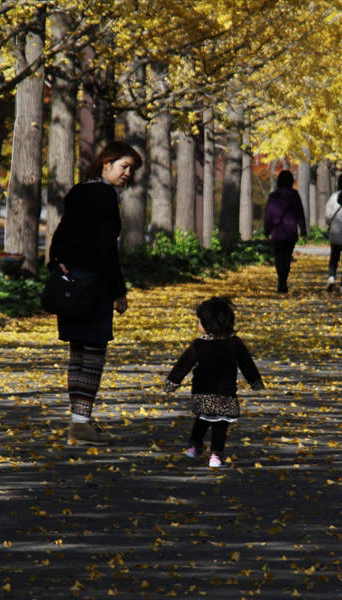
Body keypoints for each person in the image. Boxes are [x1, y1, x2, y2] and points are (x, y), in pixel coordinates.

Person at [48, 140, 142, 446]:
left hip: (72, 284)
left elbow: (61, 233)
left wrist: (56, 263)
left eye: (132, 169)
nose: (128, 173)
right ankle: (80, 423)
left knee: (78, 355)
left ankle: (80, 420)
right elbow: (106, 250)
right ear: (106, 163)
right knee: (93, 357)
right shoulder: (104, 196)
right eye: (124, 166)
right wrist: (119, 291)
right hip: (94, 286)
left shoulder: (79, 191)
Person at [164, 297, 265, 468]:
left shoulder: (199, 344)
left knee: (202, 419)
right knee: (220, 425)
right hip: (225, 394)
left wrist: (171, 383)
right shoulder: (234, 343)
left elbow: (183, 365)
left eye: (199, 322)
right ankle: (216, 456)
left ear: (209, 324)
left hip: (202, 392)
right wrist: (255, 382)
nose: (197, 325)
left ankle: (194, 447)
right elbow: (247, 364)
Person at [263, 170, 307, 293]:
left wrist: (266, 230)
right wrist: (303, 230)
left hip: (277, 232)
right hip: (290, 231)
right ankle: (284, 280)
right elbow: (300, 213)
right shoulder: (294, 195)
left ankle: (281, 280)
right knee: (287, 257)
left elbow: (268, 215)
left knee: (278, 257)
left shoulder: (273, 196)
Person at [324, 173, 342, 292]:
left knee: (334, 257)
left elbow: (328, 215)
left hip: (335, 231)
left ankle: (331, 277)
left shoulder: (334, 196)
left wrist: (329, 224)